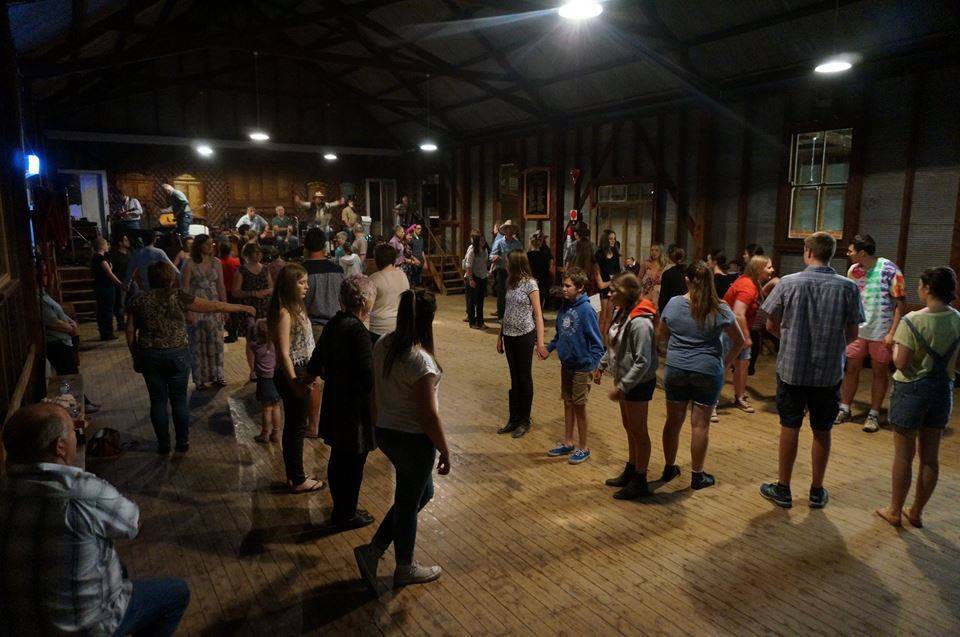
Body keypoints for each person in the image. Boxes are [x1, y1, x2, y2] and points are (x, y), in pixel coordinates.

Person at [0, 403, 191, 636]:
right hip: (89, 628)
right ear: (59, 447)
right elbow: (131, 523)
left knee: (117, 567)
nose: (76, 437)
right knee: (177, 593)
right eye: (73, 432)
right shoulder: (81, 491)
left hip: (20, 626)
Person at [758, 232, 863, 509]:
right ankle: (816, 490)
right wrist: (831, 347)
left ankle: (783, 489)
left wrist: (790, 341)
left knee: (789, 426)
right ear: (832, 254)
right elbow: (853, 333)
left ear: (807, 252)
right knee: (822, 429)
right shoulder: (848, 287)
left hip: (792, 369)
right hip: (829, 373)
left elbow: (769, 324)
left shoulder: (789, 283)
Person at [354, 289, 450, 592]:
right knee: (409, 503)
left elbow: (374, 392)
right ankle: (404, 566)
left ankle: (374, 549)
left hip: (387, 432)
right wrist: (445, 449)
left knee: (421, 494)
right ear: (429, 319)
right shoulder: (421, 361)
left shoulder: (384, 344)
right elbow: (428, 416)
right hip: (414, 440)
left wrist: (375, 424)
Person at [127, 262, 254, 453]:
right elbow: (214, 306)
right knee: (179, 400)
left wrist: (135, 354)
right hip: (177, 353)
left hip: (150, 354)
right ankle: (182, 442)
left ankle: (163, 444)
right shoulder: (178, 296)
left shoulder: (138, 299)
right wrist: (242, 308)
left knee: (158, 400)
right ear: (170, 278)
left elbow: (130, 330)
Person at [875, 267, 960, 527]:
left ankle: (894, 511)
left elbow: (901, 363)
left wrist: (893, 348)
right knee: (930, 456)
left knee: (904, 455)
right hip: (942, 390)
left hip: (911, 390)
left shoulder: (912, 320)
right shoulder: (957, 318)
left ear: (927, 289)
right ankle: (916, 512)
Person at [658, 261, 743, 490]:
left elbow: (662, 334)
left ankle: (668, 467)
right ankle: (697, 475)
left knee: (673, 422)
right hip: (707, 370)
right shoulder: (720, 307)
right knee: (700, 425)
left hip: (676, 369)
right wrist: (724, 363)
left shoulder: (674, 304)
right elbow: (740, 341)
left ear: (686, 280)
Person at [306, 275, 378, 530]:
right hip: (354, 408)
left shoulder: (335, 322)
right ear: (365, 301)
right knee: (353, 464)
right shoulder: (358, 332)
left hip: (335, 400)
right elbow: (367, 377)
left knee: (338, 458)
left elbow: (316, 359)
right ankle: (346, 514)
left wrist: (305, 380)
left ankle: (342, 509)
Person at [597, 272, 659, 499]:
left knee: (639, 431)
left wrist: (623, 386)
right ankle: (632, 469)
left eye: (614, 291)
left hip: (637, 384)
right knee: (629, 427)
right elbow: (615, 343)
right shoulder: (623, 313)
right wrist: (602, 364)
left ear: (626, 293)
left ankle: (640, 480)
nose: (609, 294)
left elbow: (643, 361)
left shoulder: (641, 322)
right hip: (624, 380)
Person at [836, 234, 907, 432]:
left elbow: (900, 303)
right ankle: (845, 407)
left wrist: (892, 332)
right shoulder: (853, 271)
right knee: (850, 368)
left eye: (851, 251)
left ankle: (874, 414)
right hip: (858, 329)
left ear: (863, 253)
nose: (848, 253)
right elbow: (850, 300)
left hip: (881, 330)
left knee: (879, 372)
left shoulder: (890, 270)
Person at [268, 264, 323, 493]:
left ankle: (294, 475)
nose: (306, 286)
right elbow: (283, 353)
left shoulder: (295, 307)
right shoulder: (284, 312)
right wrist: (295, 383)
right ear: (290, 284)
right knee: (296, 429)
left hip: (301, 371)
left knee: (295, 427)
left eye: (307, 282)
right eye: (301, 282)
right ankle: (298, 479)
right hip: (294, 373)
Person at [541, 267, 605, 465]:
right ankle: (568, 441)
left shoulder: (586, 311)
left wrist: (593, 367)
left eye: (568, 286)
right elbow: (560, 334)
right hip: (566, 365)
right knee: (568, 403)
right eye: (564, 285)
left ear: (580, 288)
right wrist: (549, 348)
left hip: (581, 367)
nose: (564, 289)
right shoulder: (564, 306)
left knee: (579, 407)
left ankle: (583, 447)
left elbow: (597, 344)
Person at [496, 250, 548, 438]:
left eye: (508, 262)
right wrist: (500, 336)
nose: (506, 265)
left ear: (516, 263)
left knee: (524, 377)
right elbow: (507, 311)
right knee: (514, 378)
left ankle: (525, 420)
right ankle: (514, 418)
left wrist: (540, 343)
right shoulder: (510, 281)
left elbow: (538, 315)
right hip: (509, 335)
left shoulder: (530, 284)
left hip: (525, 335)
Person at [722, 254, 775, 414]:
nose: (772, 269)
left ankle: (739, 397)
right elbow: (738, 313)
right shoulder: (747, 285)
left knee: (742, 365)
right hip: (729, 331)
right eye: (769, 267)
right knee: (723, 367)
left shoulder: (752, 282)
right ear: (758, 269)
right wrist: (745, 337)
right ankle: (712, 403)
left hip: (737, 331)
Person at [40, 288, 101, 413]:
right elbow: (52, 322)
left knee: (71, 374)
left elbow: (59, 313)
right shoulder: (40, 299)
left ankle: (80, 402)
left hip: (62, 340)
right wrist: (70, 328)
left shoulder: (44, 294)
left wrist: (70, 322)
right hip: (57, 342)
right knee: (68, 376)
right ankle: (74, 407)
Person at [181, 234, 227, 390]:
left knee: (216, 341)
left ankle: (218, 375)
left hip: (213, 305)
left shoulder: (217, 263)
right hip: (197, 305)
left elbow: (221, 285)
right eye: (207, 244)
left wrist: (224, 306)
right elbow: (185, 289)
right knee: (198, 344)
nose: (210, 247)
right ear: (199, 246)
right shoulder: (189, 264)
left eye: (211, 244)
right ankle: (200, 380)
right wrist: (188, 311)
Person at [233, 243, 273, 382]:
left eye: (259, 252)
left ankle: (266, 366)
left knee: (266, 337)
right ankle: (252, 370)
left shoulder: (265, 269)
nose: (259, 255)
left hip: (264, 307)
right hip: (249, 308)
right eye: (256, 252)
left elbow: (271, 287)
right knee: (251, 340)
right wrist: (254, 293)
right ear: (249, 254)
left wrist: (266, 292)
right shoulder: (242, 270)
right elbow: (235, 292)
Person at [369, 243, 411, 342]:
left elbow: (367, 306)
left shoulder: (374, 278)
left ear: (377, 260)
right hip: (400, 325)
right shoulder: (402, 275)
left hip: (379, 328)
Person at [251, 319, 282, 444]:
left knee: (266, 408)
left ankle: (264, 433)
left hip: (264, 381)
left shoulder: (256, 347)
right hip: (275, 378)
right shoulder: (276, 346)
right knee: (276, 406)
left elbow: (250, 337)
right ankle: (275, 433)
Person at [90, 237, 124, 341]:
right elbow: (109, 273)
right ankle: (108, 333)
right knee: (107, 310)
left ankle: (104, 331)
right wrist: (120, 284)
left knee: (103, 310)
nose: (108, 246)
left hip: (101, 286)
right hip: (106, 287)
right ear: (102, 246)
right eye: (106, 244)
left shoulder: (96, 257)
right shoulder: (100, 259)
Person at [489, 219, 524, 320]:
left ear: (513, 230)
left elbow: (521, 258)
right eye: (507, 228)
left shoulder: (518, 244)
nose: (509, 230)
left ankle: (512, 316)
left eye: (511, 228)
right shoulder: (499, 242)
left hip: (514, 272)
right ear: (504, 230)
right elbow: (491, 256)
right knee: (501, 295)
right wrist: (494, 257)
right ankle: (501, 317)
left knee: (514, 294)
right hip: (502, 271)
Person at [595, 229, 622, 334]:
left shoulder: (615, 253)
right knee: (602, 317)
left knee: (609, 317)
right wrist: (610, 280)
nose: (613, 241)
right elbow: (598, 275)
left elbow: (617, 271)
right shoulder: (599, 254)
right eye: (611, 238)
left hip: (612, 287)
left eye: (614, 239)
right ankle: (600, 342)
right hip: (602, 288)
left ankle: (606, 342)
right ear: (605, 240)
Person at [463, 229, 489, 329]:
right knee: (471, 301)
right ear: (477, 241)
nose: (483, 242)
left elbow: (484, 264)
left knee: (480, 301)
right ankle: (472, 322)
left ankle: (480, 322)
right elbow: (468, 266)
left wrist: (487, 273)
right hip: (473, 277)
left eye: (484, 240)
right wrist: (470, 279)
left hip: (482, 277)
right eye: (481, 240)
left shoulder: (485, 250)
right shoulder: (472, 250)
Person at [108, 234, 131, 332]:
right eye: (125, 240)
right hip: (121, 281)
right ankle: (121, 324)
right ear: (120, 243)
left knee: (133, 301)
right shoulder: (114, 255)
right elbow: (111, 269)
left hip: (131, 281)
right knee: (120, 304)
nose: (128, 242)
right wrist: (120, 282)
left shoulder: (130, 252)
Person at [219, 241, 242, 343]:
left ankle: (231, 334)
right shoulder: (236, 262)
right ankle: (235, 333)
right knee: (235, 313)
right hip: (235, 290)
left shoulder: (219, 263)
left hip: (225, 290)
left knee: (227, 313)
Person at [657, 244, 687, 312]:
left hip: (671, 309)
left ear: (668, 256)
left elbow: (663, 297)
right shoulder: (686, 271)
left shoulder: (668, 273)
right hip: (685, 308)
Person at [527, 233, 551, 310]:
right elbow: (547, 268)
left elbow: (527, 268)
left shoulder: (528, 255)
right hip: (542, 280)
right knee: (540, 298)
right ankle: (539, 315)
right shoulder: (544, 255)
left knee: (530, 299)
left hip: (530, 279)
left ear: (530, 243)